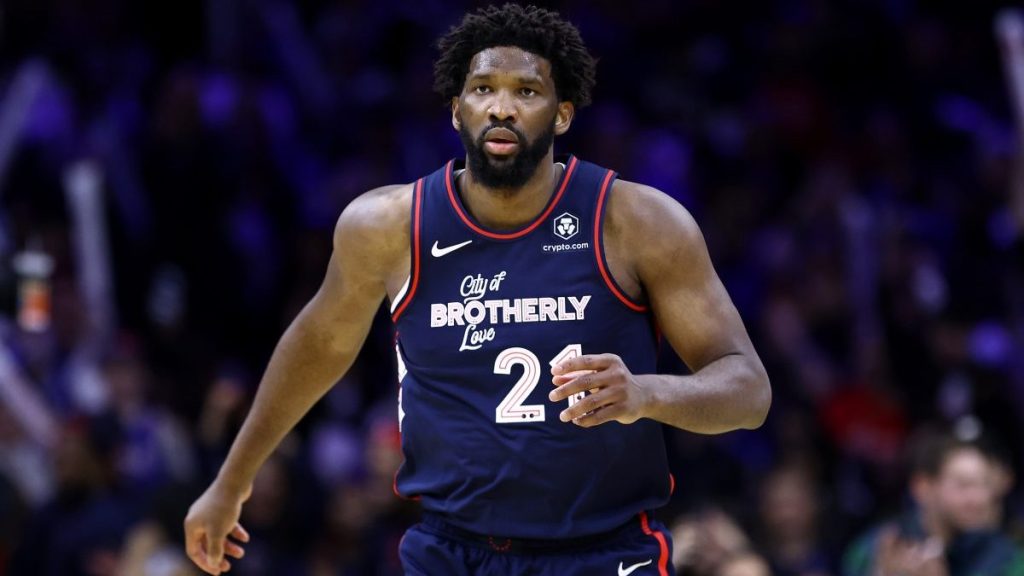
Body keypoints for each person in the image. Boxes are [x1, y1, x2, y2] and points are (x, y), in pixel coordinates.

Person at [183, 4, 771, 575]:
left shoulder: (637, 221)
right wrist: (230, 482)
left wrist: (645, 393)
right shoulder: (387, 227)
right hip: (451, 550)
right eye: (484, 88)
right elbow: (318, 350)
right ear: (456, 110)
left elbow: (748, 391)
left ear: (563, 114)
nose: (503, 108)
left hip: (603, 549)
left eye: (527, 91)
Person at [842, 427, 1024, 576]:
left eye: (984, 484)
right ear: (923, 487)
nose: (980, 498)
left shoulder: (1005, 558)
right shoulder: (876, 547)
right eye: (964, 485)